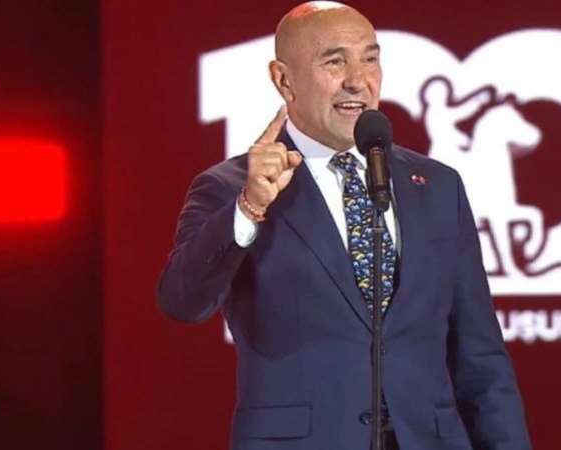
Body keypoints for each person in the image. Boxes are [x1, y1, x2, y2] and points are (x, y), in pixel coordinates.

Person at [157, 2, 532, 449]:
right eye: (334, 62)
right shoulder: (230, 187)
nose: (358, 80)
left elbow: (481, 357)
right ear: (283, 80)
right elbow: (182, 302)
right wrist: (249, 208)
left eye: (370, 59)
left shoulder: (436, 186)